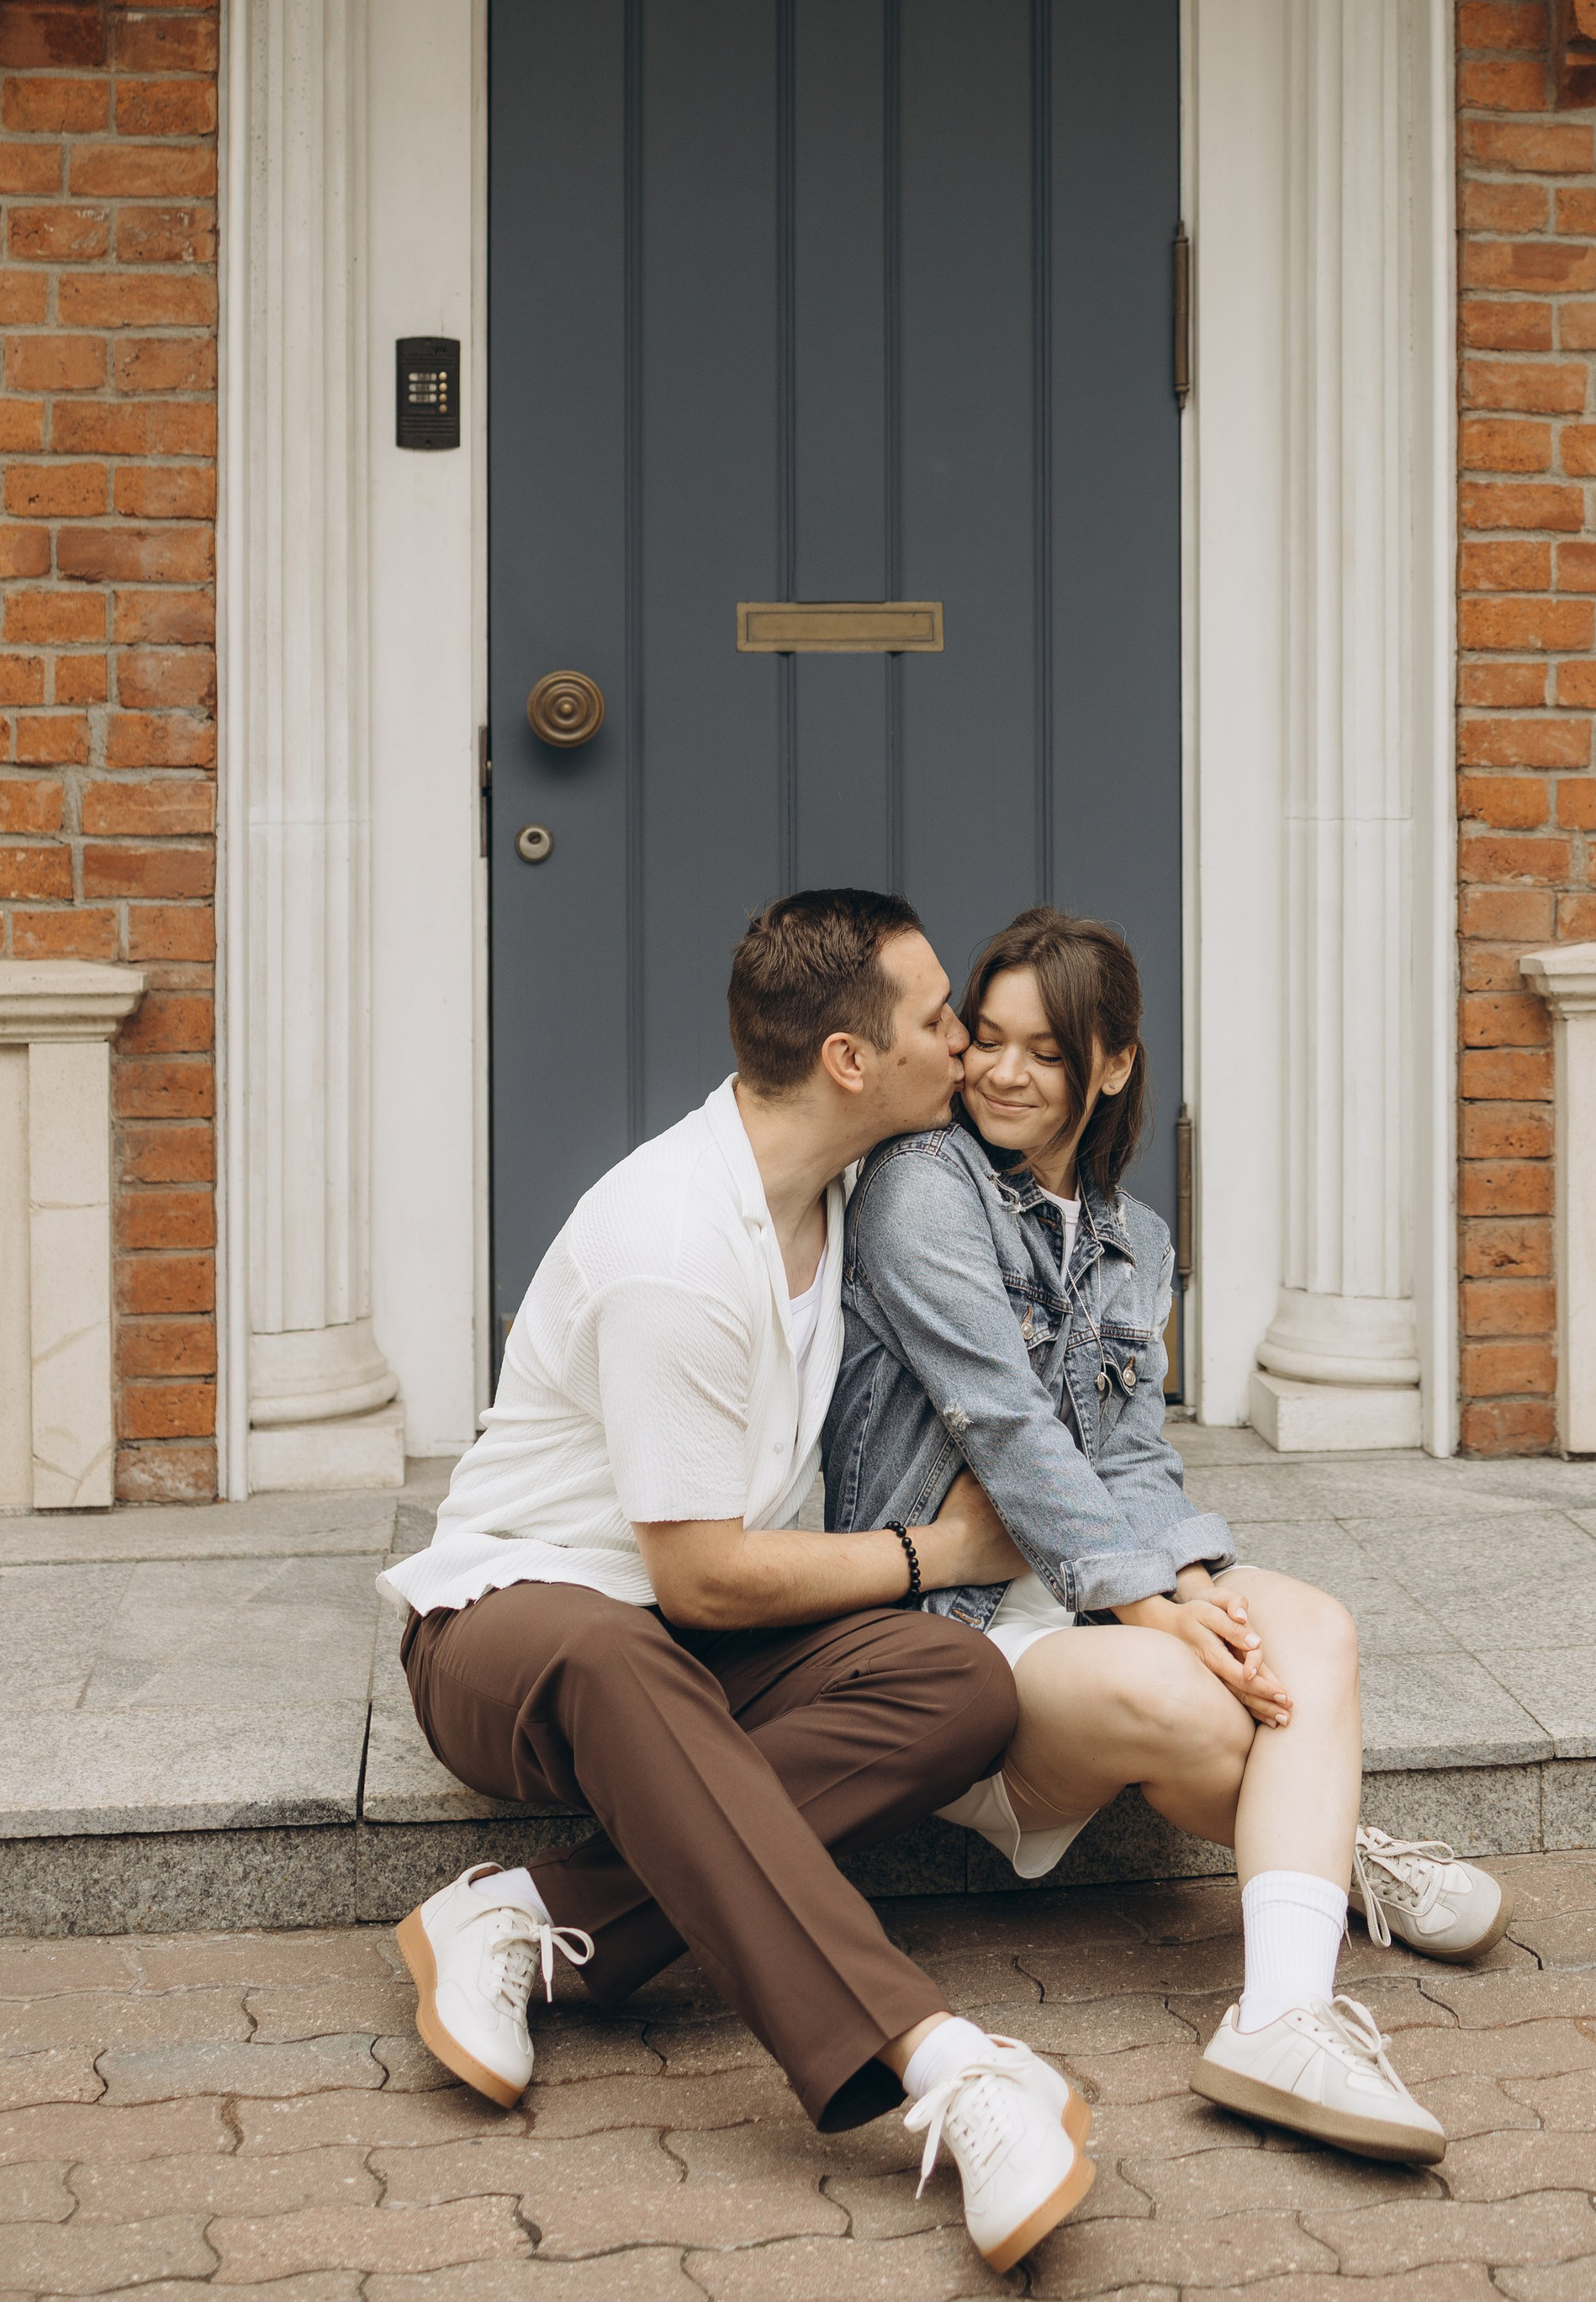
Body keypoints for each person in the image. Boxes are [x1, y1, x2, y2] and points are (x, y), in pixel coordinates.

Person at [380, 889, 1094, 2277]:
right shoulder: (674, 1242)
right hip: (511, 1633)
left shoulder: (846, 1194)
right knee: (619, 1650)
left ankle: (527, 1910)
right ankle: (943, 2062)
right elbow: (702, 1577)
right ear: (849, 1060)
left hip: (680, 1651)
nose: (963, 1042)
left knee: (954, 1682)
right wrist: (937, 1554)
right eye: (939, 1018)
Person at [827, 905, 1510, 2168]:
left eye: (1045, 1050)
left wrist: (1194, 1587)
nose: (1002, 1072)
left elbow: (1134, 1454)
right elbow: (1005, 1422)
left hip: (1087, 1588)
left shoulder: (1136, 1241)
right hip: (953, 1625)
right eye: (986, 1038)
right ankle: (1324, 1851)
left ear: (1114, 1064)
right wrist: (1153, 1608)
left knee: (1312, 1630)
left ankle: (1282, 2014)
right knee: (1200, 1700)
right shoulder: (922, 1188)